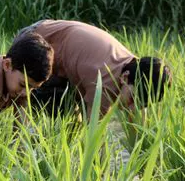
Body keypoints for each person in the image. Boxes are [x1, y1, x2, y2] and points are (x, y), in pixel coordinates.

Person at [15, 19, 171, 121]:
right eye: (132, 98)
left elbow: (138, 124)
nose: (132, 107)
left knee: (72, 125)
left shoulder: (138, 69)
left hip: (63, 54)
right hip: (35, 44)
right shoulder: (104, 83)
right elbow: (94, 135)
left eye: (140, 104)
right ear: (124, 77)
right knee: (56, 120)